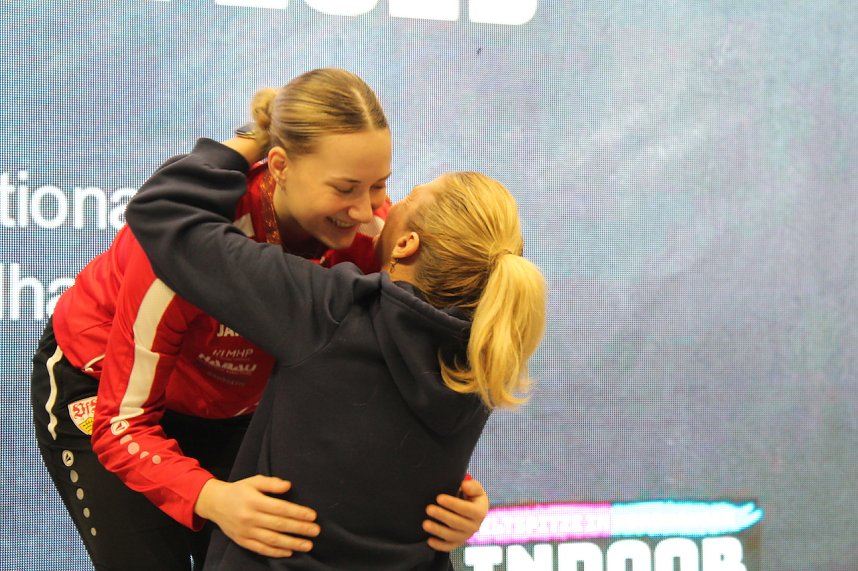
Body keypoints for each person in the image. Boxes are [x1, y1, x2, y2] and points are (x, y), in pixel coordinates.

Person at [31, 68, 489, 571]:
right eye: (346, 188)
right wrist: (213, 498)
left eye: (380, 184)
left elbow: (414, 377)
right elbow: (123, 425)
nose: (366, 210)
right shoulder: (189, 245)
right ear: (280, 165)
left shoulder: (377, 237)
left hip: (237, 412)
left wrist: (453, 493)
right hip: (109, 396)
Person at [124, 131, 547, 569]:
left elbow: (162, 214)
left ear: (406, 245)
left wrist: (251, 139)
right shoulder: (485, 359)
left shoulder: (332, 311)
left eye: (404, 196)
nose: (377, 208)